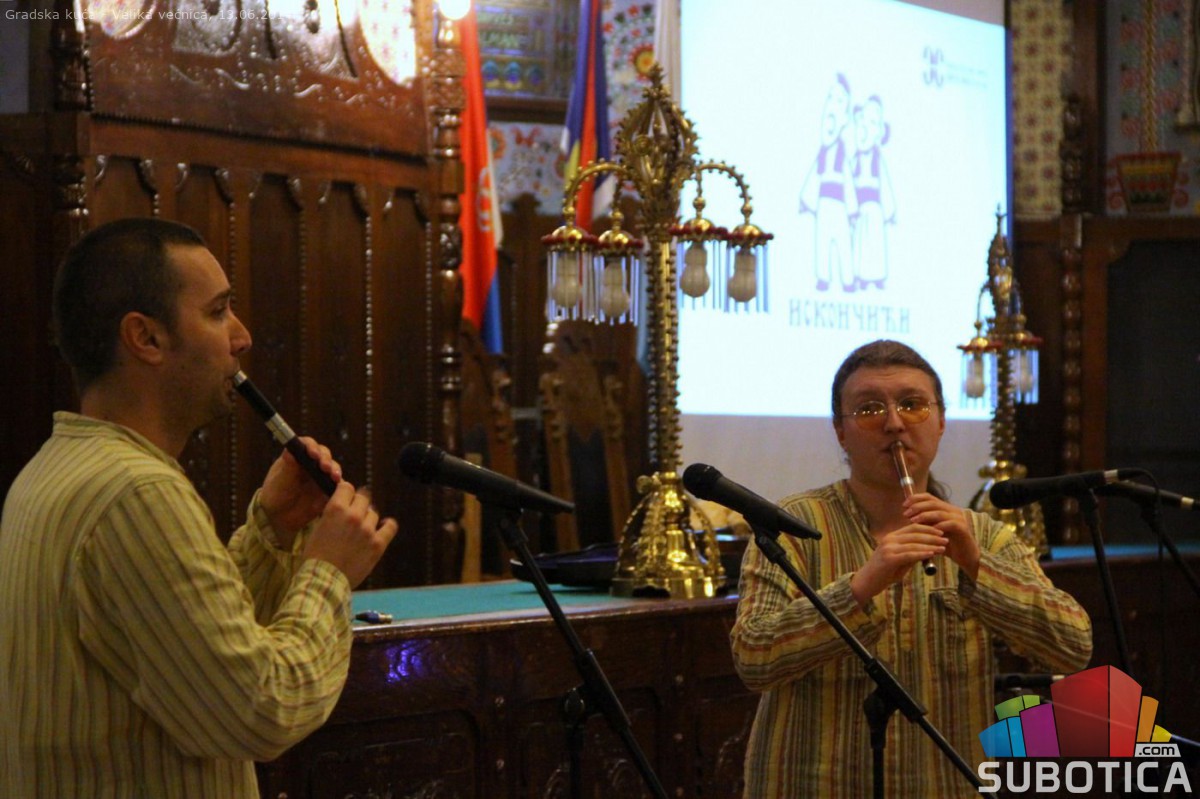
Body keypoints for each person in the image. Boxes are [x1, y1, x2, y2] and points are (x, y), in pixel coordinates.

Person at [0, 218, 399, 798]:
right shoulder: (137, 493)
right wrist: (328, 573)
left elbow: (185, 647)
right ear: (146, 338)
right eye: (217, 312)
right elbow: (259, 709)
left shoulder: (54, 466)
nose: (242, 336)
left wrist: (272, 531)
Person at [730, 339, 1092, 798]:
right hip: (816, 785)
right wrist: (860, 588)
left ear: (940, 422)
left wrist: (975, 565)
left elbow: (1073, 648)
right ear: (840, 431)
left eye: (912, 405)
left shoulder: (984, 536)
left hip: (944, 786)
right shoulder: (793, 527)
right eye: (868, 410)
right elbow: (753, 658)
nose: (894, 423)